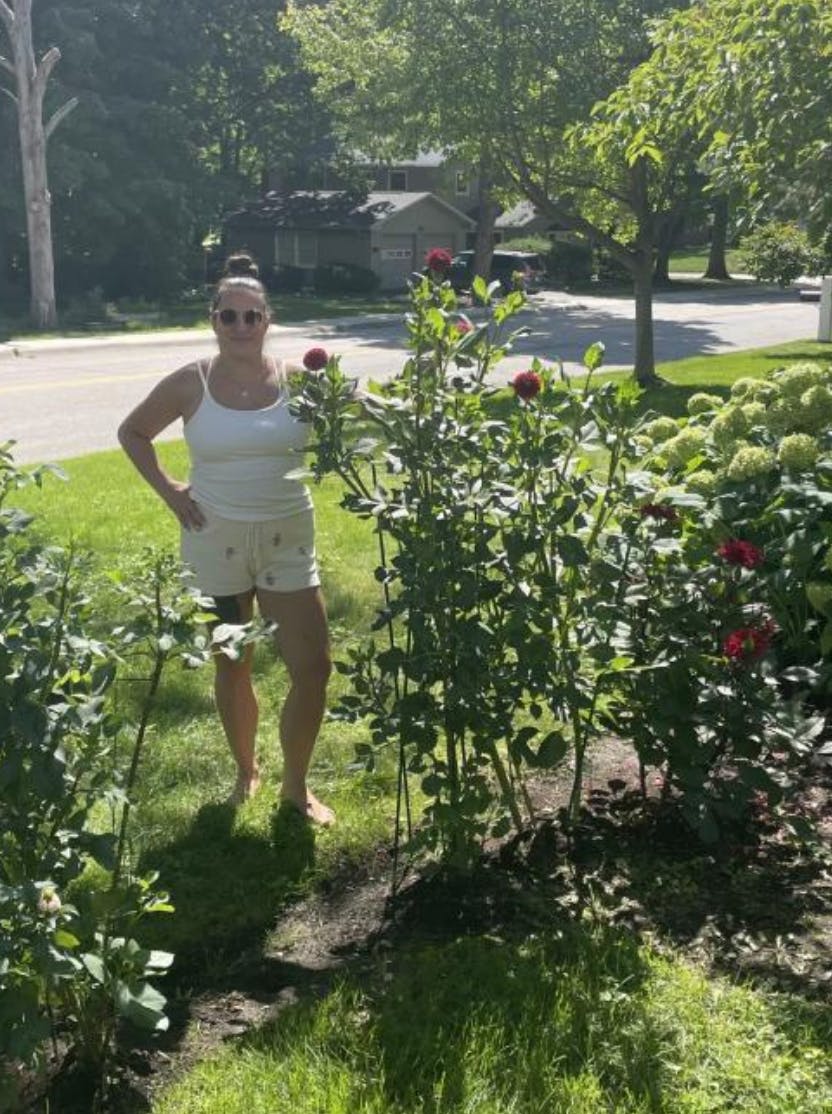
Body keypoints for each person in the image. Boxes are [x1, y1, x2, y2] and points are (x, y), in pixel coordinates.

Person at [118, 253, 334, 824]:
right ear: (213, 320)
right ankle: (246, 771)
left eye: (251, 316)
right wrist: (171, 491)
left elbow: (363, 409)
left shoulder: (300, 380)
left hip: (288, 540)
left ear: (268, 320)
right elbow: (133, 431)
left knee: (313, 668)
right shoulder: (191, 382)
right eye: (229, 316)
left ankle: (296, 786)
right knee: (233, 664)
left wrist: (411, 410)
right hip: (215, 543)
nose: (241, 326)